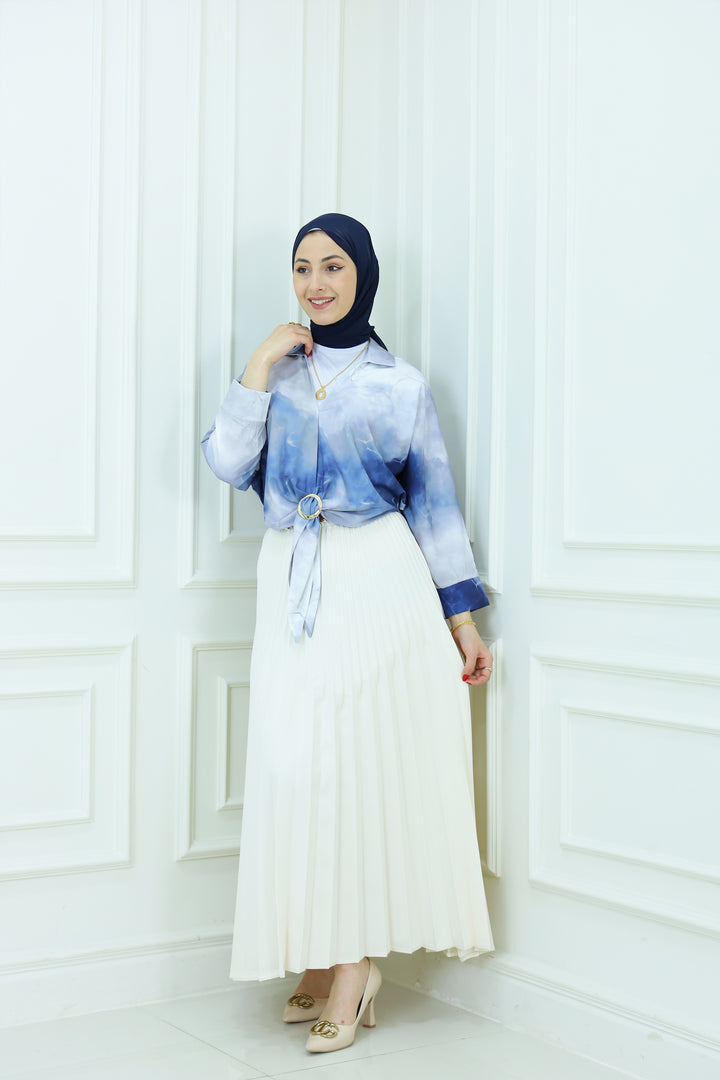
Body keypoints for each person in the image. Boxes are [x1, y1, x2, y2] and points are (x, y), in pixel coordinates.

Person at [201, 212, 494, 1054]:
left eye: (333, 266)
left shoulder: (400, 384)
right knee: (295, 764)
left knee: (354, 768)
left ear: (363, 273)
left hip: (378, 581)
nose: (316, 283)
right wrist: (258, 365)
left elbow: (435, 506)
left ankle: (352, 967)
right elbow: (227, 461)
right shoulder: (280, 375)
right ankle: (322, 948)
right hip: (291, 580)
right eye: (303, 267)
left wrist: (461, 619)